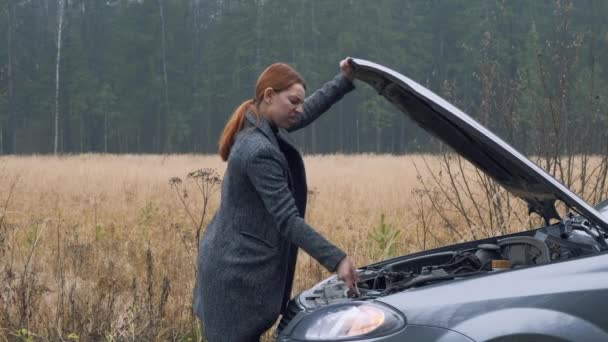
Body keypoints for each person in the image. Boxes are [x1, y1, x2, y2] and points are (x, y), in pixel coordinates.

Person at [193, 57, 359, 341]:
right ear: (269, 96)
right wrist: (338, 260)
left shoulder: (257, 122)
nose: (299, 109)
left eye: (300, 102)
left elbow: (303, 114)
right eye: (293, 101)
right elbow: (287, 221)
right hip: (234, 281)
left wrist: (343, 81)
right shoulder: (258, 150)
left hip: (231, 267)